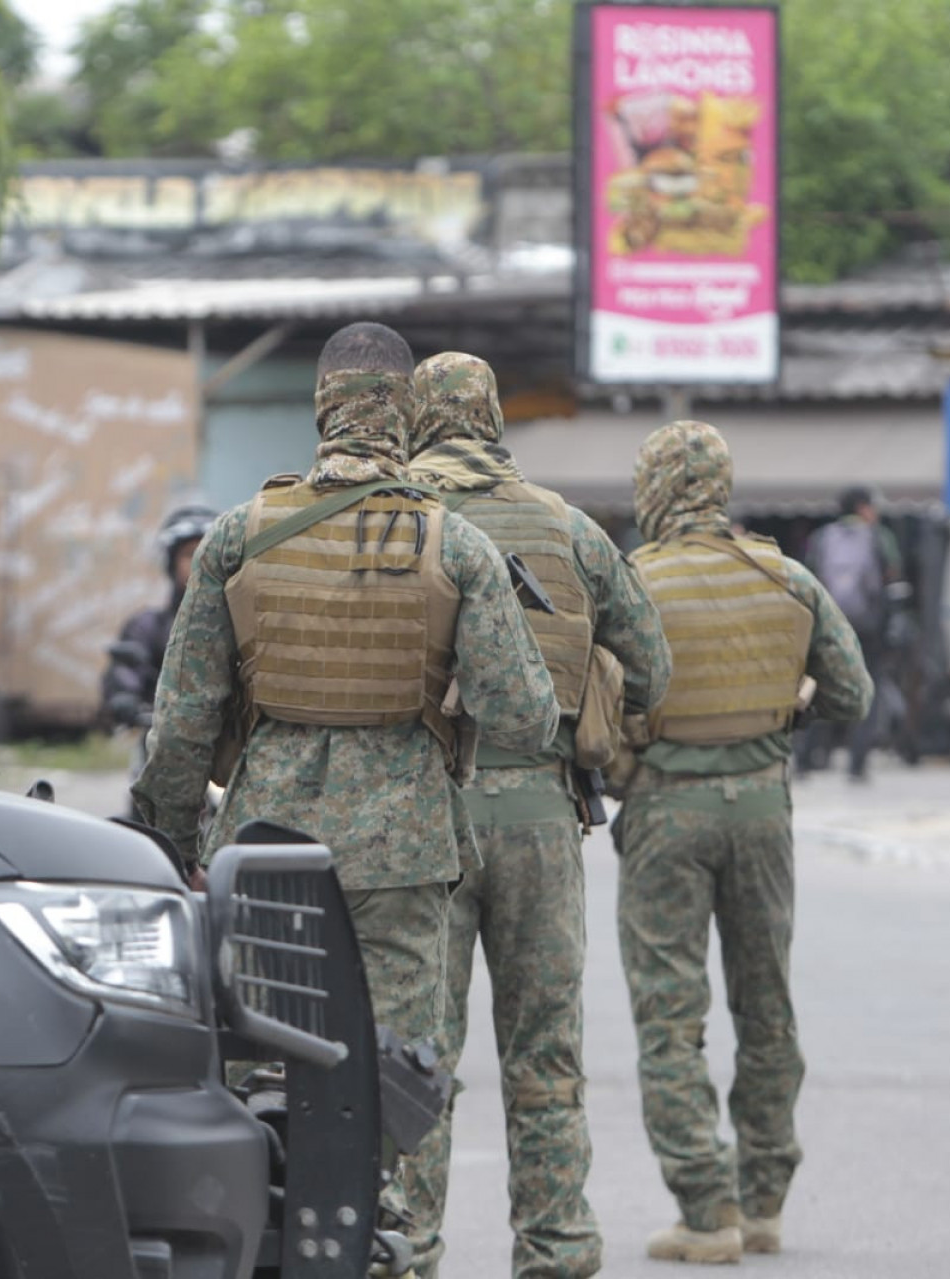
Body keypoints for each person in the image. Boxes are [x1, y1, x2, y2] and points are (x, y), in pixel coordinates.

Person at [131, 322, 559, 1277]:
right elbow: (528, 716)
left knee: (260, 1074)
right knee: (392, 1079)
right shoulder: (458, 543)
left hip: (266, 851)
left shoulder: (240, 536)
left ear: (320, 408)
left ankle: (259, 1246)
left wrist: (164, 836)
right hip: (405, 852)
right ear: (404, 416)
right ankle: (386, 1256)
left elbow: (184, 722)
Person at [405, 353, 671, 1279]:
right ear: (492, 417)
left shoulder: (392, 520)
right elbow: (655, 668)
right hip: (540, 813)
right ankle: (555, 1249)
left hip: (419, 816)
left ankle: (405, 1253)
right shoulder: (570, 526)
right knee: (545, 1052)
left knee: (414, 1058)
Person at [615, 421, 871, 1265]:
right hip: (762, 809)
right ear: (721, 486)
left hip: (665, 814)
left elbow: (596, 708)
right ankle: (763, 1202)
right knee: (766, 1005)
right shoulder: (785, 575)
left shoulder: (632, 583)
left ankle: (706, 1207)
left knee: (670, 1015)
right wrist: (783, 710)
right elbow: (852, 693)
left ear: (653, 486)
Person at [795, 485, 902, 781]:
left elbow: (808, 580)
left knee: (819, 688)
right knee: (866, 689)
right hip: (868, 629)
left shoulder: (821, 538)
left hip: (829, 626)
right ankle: (857, 765)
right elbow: (892, 577)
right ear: (863, 508)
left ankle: (805, 759)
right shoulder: (880, 538)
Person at [100, 502, 218, 733]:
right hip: (160, 743)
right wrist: (124, 695)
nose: (198, 563)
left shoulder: (240, 623)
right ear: (171, 563)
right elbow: (126, 667)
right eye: (188, 554)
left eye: (207, 553)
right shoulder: (147, 626)